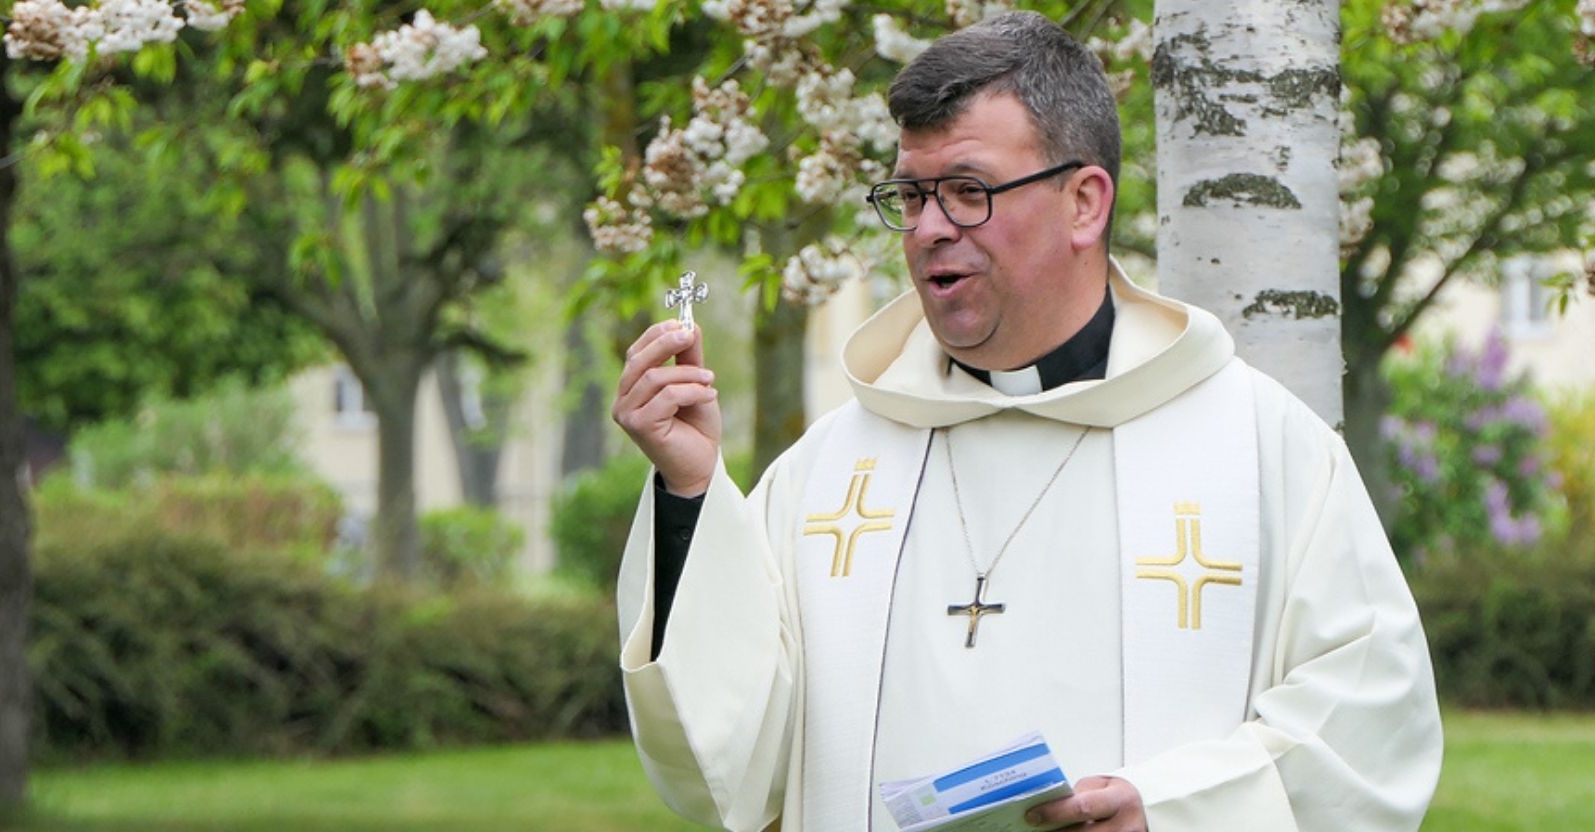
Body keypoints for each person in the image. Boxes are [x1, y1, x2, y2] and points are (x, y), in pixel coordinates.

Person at [610, 11, 1441, 832]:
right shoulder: (831, 467)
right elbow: (724, 760)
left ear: (1084, 203)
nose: (930, 228)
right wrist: (691, 490)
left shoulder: (1258, 448)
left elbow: (1371, 722)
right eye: (911, 195)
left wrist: (1176, 813)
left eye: (969, 192)